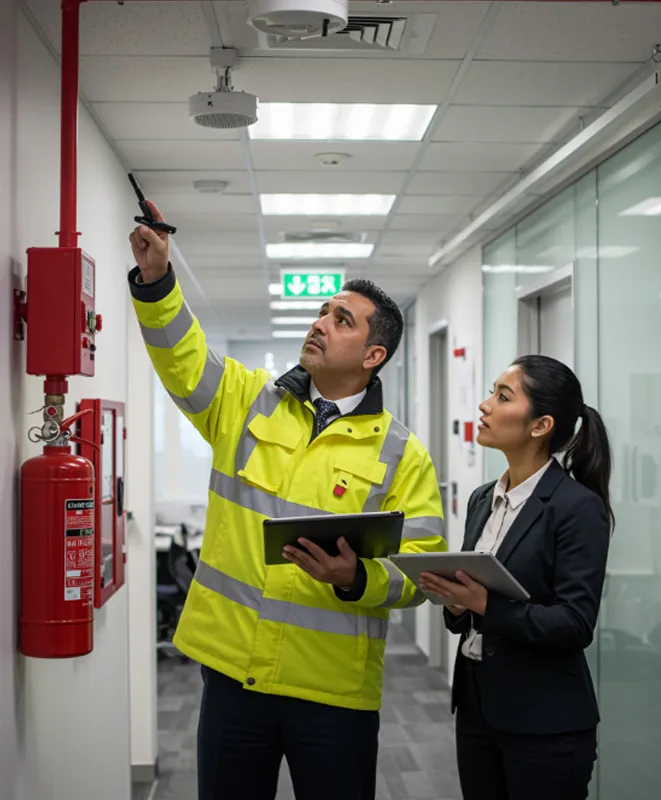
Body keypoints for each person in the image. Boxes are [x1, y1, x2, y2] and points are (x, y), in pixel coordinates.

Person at [128, 203, 446, 800]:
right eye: (323, 311)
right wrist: (157, 281)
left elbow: (422, 569)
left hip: (332, 692)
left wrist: (358, 578)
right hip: (232, 677)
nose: (321, 322)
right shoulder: (247, 401)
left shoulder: (404, 454)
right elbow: (182, 358)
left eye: (342, 319)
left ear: (373, 355)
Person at [418, 355, 613, 800]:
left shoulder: (577, 508)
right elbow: (470, 609)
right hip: (477, 708)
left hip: (545, 724)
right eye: (491, 391)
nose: (485, 405)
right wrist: (454, 600)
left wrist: (485, 604)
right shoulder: (483, 498)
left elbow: (574, 623)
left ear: (540, 425)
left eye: (502, 396)